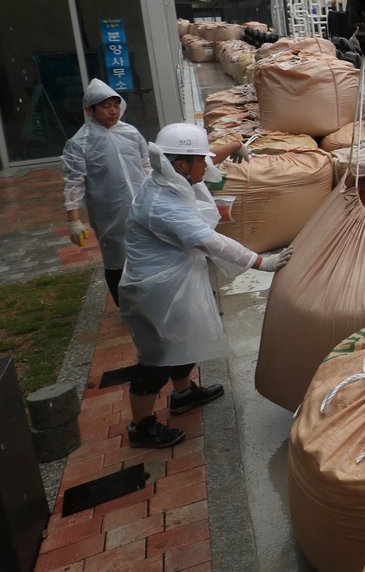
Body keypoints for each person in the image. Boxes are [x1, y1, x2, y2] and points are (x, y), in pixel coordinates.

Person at [119, 123, 290, 448]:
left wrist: (234, 145)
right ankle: (141, 426)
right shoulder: (162, 204)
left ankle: (183, 394)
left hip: (177, 278)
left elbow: (209, 159)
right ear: (182, 164)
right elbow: (211, 242)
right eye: (200, 160)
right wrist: (261, 262)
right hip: (156, 289)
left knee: (185, 336)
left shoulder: (172, 174)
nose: (206, 166)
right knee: (157, 357)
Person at [62, 80, 150, 305]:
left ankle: (150, 299)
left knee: (148, 253)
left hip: (142, 204)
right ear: (89, 110)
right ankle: (126, 306)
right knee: (117, 260)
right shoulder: (79, 143)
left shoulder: (131, 133)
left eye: (116, 105)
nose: (113, 111)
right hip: (110, 213)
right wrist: (74, 219)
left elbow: (146, 165)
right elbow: (74, 182)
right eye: (106, 106)